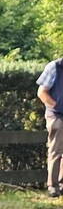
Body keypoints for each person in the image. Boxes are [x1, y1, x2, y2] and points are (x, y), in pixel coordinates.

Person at [36, 58, 63, 197]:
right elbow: (42, 92)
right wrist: (56, 106)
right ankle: (53, 186)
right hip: (57, 115)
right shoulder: (55, 67)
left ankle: (61, 184)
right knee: (56, 151)